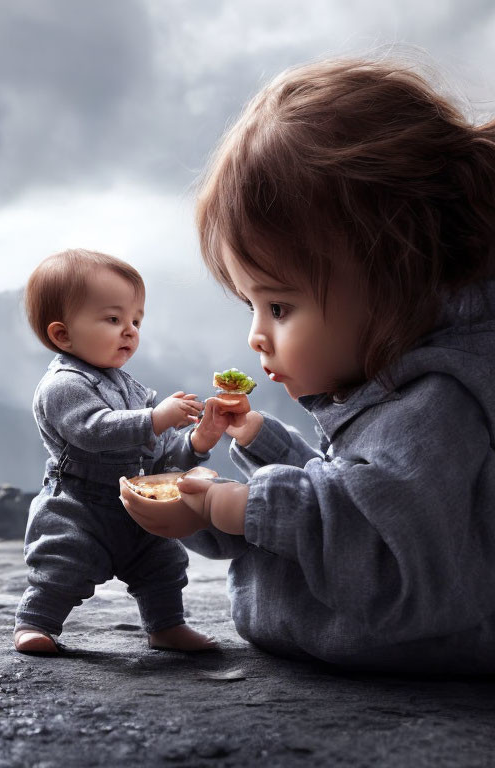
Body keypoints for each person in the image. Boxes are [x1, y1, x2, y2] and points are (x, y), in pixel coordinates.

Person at [120, 56, 495, 674]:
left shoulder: (439, 405)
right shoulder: (397, 389)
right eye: (251, 304)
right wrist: (260, 448)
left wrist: (233, 508)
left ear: (396, 274)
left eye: (280, 304)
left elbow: (379, 547)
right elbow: (361, 486)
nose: (257, 336)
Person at [14, 248, 221, 654]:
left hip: (136, 503)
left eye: (135, 321)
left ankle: (166, 625)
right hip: (79, 505)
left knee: (164, 562)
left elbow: (160, 460)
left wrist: (198, 440)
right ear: (63, 334)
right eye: (113, 319)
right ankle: (35, 623)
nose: (129, 330)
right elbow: (94, 430)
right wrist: (154, 418)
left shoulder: (133, 389)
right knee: (64, 564)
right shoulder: (62, 385)